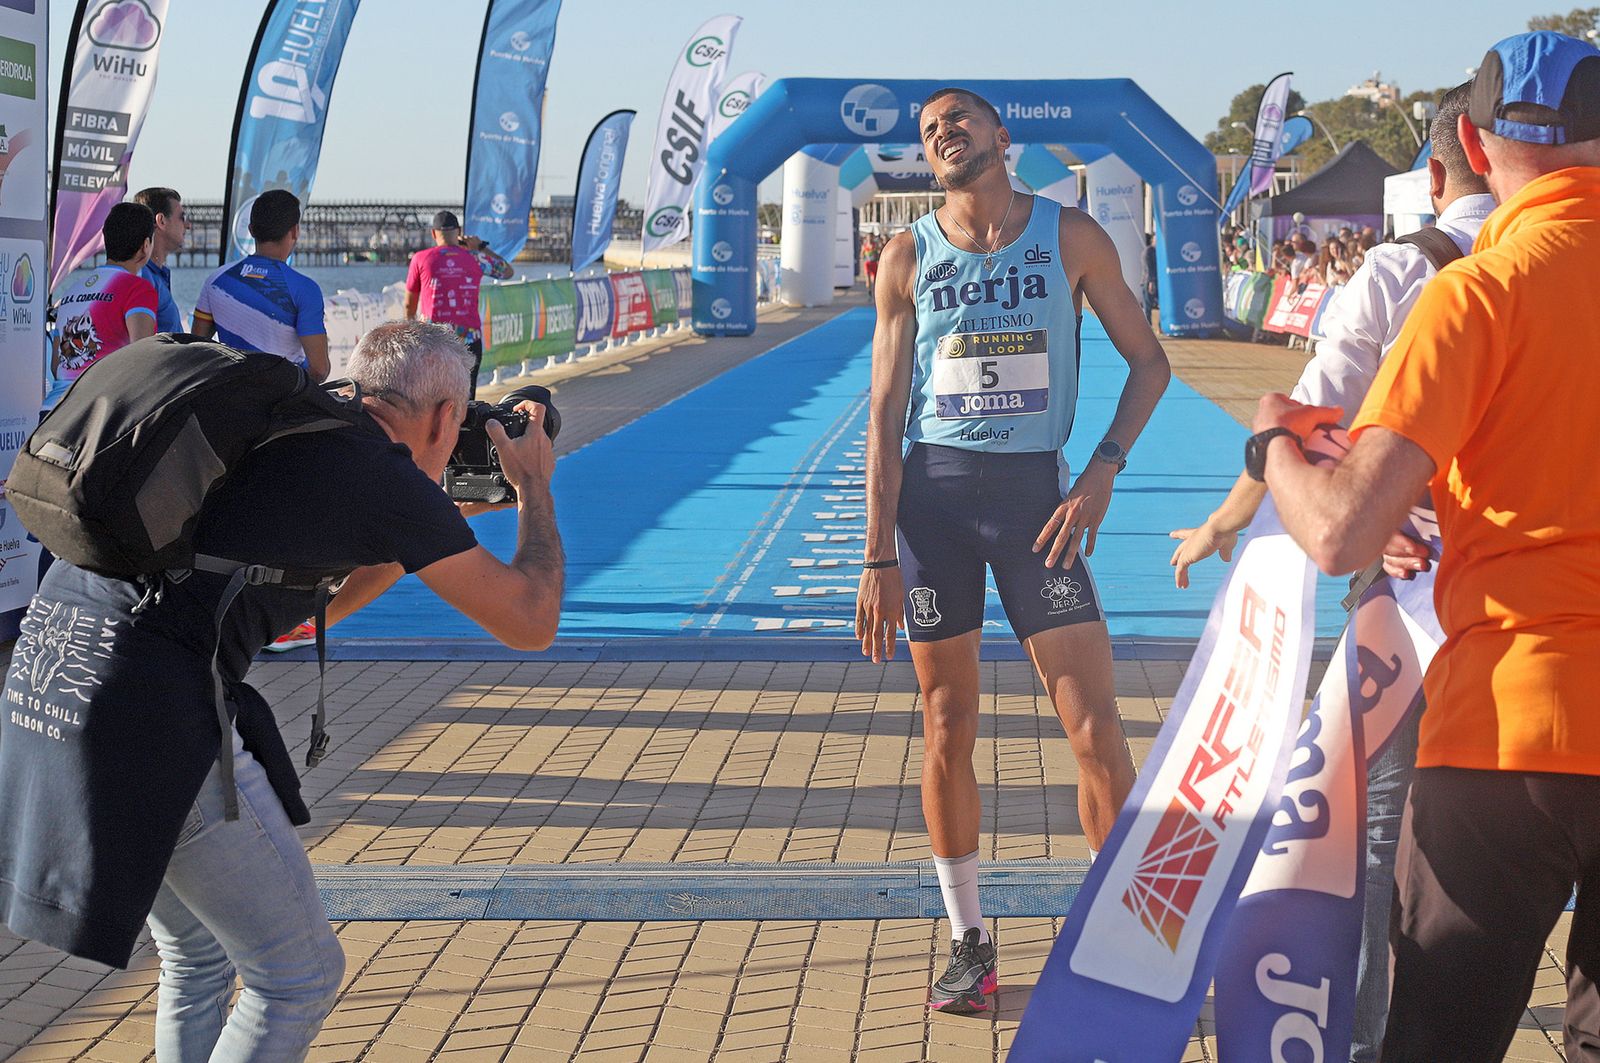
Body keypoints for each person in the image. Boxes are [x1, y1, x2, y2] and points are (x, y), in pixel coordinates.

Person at [0, 321, 563, 1059]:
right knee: (297, 975)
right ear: (444, 417)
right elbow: (531, 618)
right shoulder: (376, 477)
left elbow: (298, 612)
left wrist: (425, 532)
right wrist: (532, 485)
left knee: (198, 957)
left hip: (53, 669)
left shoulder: (290, 426)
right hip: (151, 716)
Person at [1247, 33, 1600, 1061]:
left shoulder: (1477, 295)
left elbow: (1341, 528)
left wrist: (1273, 442)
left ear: (1469, 146)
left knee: (1438, 1039)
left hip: (1508, 728)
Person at [1168, 81, 1495, 1063]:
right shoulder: (1555, 268)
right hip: (1548, 602)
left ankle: (1362, 1042)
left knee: (1371, 836)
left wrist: (1229, 520)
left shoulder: (1405, 269)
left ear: (1433, 171)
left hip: (1411, 595)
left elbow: (1303, 428)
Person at [855, 87, 1170, 1014]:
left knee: (1095, 728)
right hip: (934, 509)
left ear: (1001, 135)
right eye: (927, 130)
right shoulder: (907, 254)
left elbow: (1150, 363)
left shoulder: (1070, 237)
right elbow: (880, 411)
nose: (942, 133)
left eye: (958, 120)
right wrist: (876, 554)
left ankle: (1122, 931)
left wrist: (1102, 470)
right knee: (947, 723)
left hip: (1040, 505)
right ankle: (968, 938)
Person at [192, 189, 330, 382]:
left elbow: (196, 350)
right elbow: (319, 369)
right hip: (281, 403)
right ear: (295, 231)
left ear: (251, 230)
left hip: (230, 398)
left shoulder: (216, 280)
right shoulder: (305, 289)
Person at [47, 202, 158, 403]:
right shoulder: (137, 288)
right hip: (98, 413)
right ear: (145, 246)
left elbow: (56, 366)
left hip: (53, 410)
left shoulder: (72, 292)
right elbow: (143, 356)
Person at [404, 210, 513, 396]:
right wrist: (480, 247)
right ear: (459, 231)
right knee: (466, 396)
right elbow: (507, 271)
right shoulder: (475, 258)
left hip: (433, 339)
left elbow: (409, 305)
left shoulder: (420, 259)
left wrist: (412, 333)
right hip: (469, 338)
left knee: (434, 394)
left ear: (433, 233)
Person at [132, 186, 188, 333]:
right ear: (161, 221)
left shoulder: (153, 274)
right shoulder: (142, 277)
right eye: (182, 218)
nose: (188, 225)